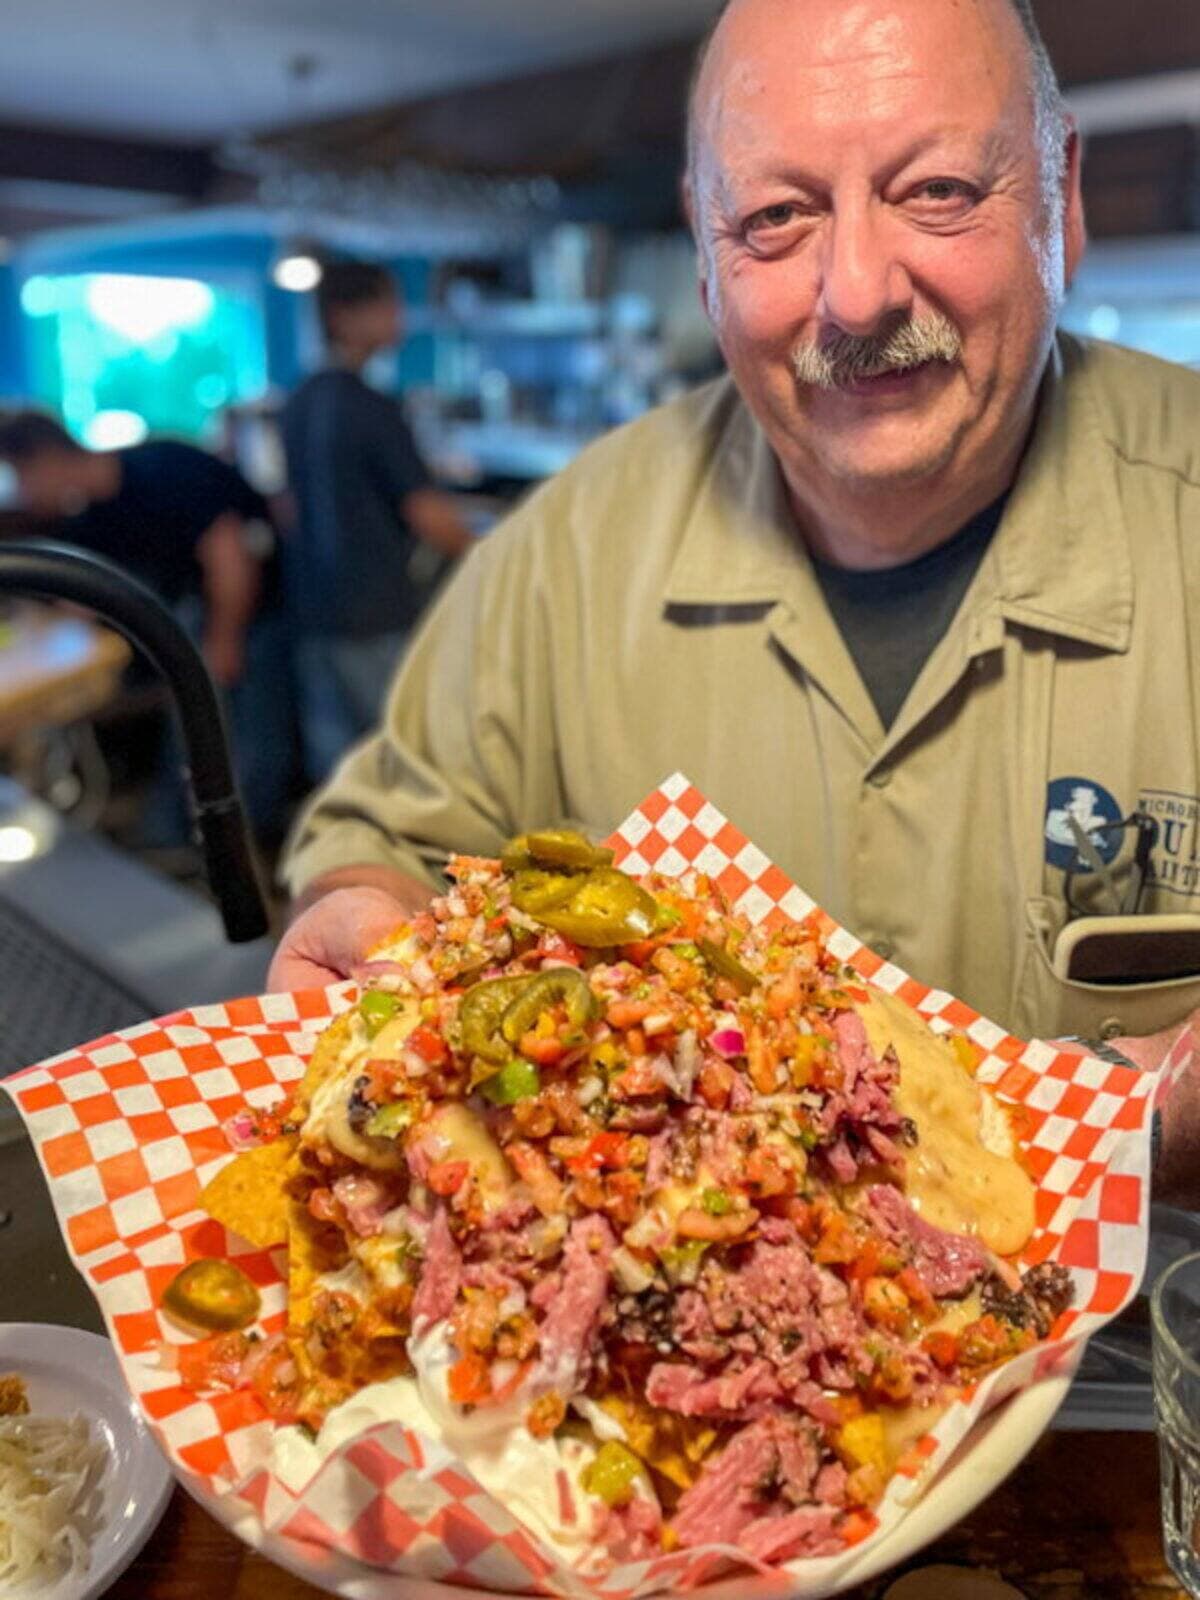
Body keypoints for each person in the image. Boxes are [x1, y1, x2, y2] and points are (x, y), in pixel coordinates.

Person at [270, 0, 1200, 1195]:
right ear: (705, 257)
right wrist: (363, 905)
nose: (857, 296)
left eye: (937, 193)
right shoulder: (564, 554)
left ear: (1061, 192)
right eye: (775, 217)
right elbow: (388, 842)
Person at [0, 410, 295, 847]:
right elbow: (81, 597)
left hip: (252, 612)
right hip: (199, 615)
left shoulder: (161, 471)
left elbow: (230, 559)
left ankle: (249, 852)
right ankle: (187, 847)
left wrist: (223, 642)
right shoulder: (90, 513)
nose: (20, 492)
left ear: (46, 459)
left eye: (19, 475)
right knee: (196, 741)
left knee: (244, 743)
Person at [280, 258, 473, 785]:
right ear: (344, 316)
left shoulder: (299, 399)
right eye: (387, 305)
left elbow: (289, 506)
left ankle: (347, 868)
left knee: (340, 774)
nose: (399, 318)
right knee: (406, 766)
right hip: (374, 610)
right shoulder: (370, 405)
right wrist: (496, 559)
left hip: (313, 608)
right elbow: (426, 512)